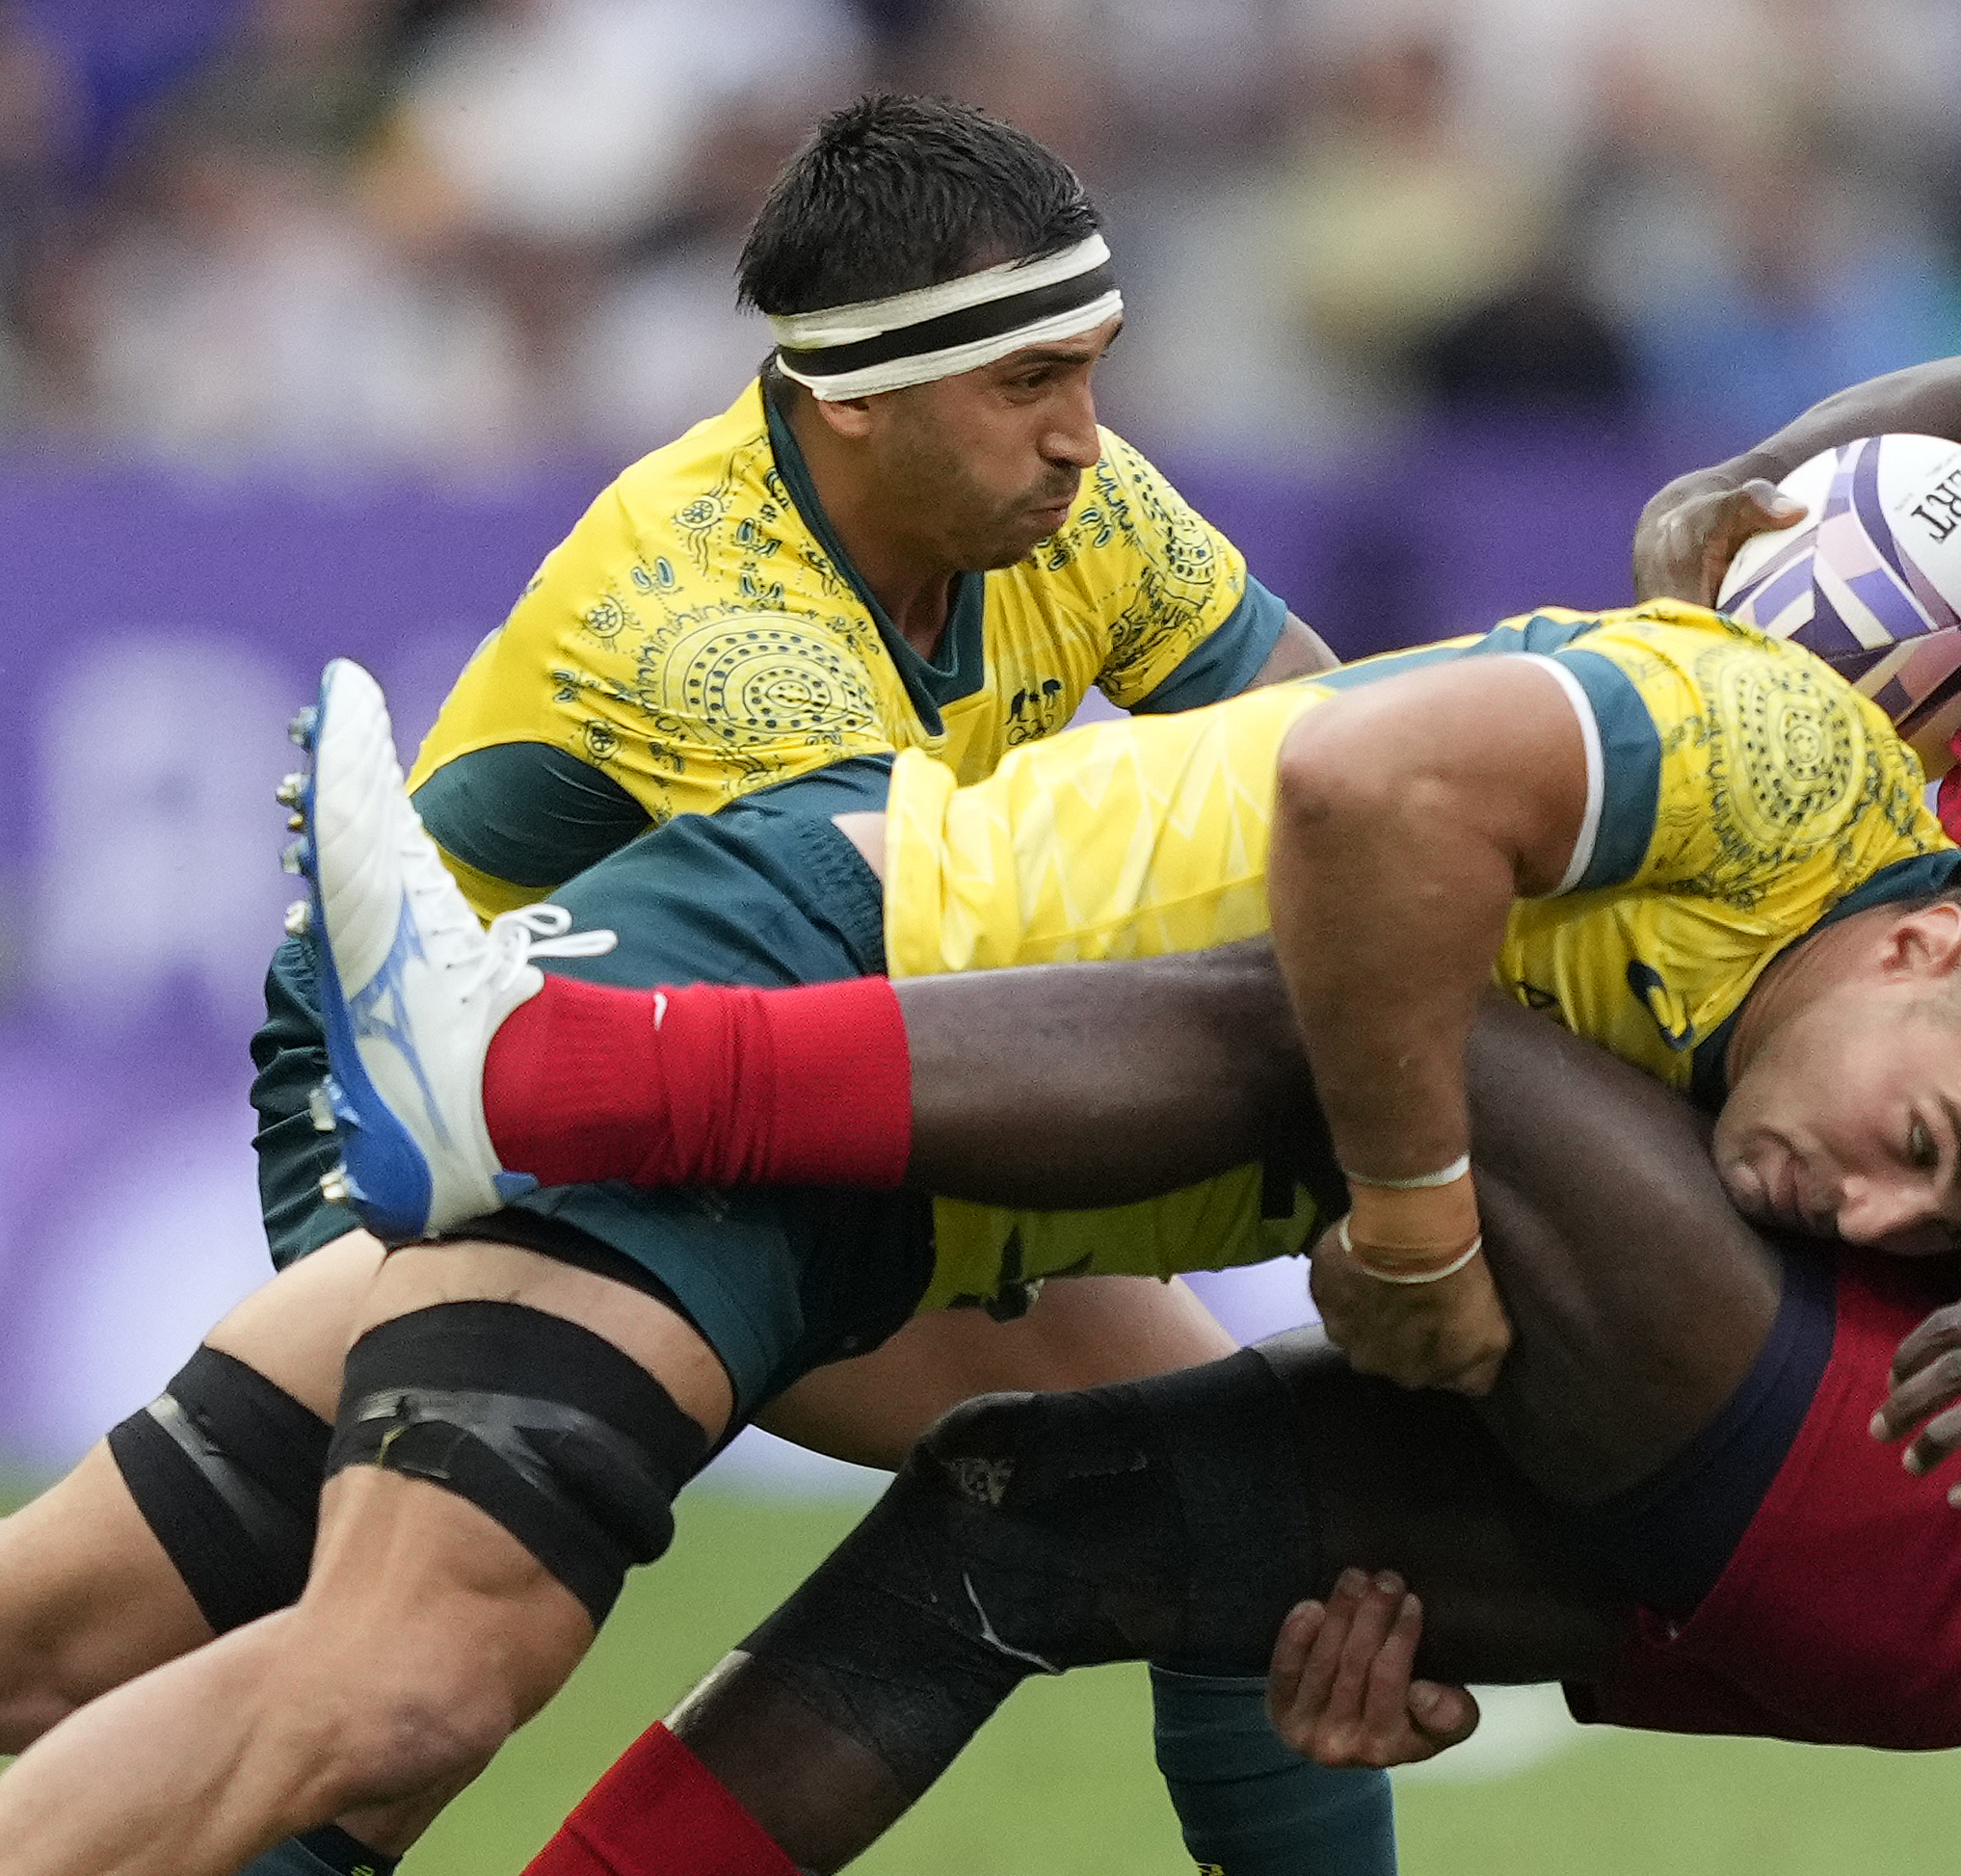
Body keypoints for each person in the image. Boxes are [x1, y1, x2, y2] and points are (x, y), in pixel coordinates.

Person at [490, 172, 1961, 1872]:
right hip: (1780, 1343)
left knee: (1395, 1027)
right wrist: (1763, 461)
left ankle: (564, 1072)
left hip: (1960, 1470)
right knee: (1010, 1523)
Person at [0, 557, 1961, 1876]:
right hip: (807, 995)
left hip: (923, 1200)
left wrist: (1381, 1608)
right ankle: (519, 1069)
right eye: (1915, 1146)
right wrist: (1413, 1216)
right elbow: (1355, 798)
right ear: (1932, 948)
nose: (1849, 1204)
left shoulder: (1725, 1036)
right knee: (396, 1687)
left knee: (67, 1632)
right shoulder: (1772, 767)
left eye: (1920, 1230)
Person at [0, 90, 1367, 1876]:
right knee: (362, 1695)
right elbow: (959, 969)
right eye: (1024, 388)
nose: (1077, 438)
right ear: (856, 394)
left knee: (1240, 1519)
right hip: (438, 1118)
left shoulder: (1087, 506)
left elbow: (1345, 772)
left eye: (1089, 369)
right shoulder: (711, 612)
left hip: (733, 1103)